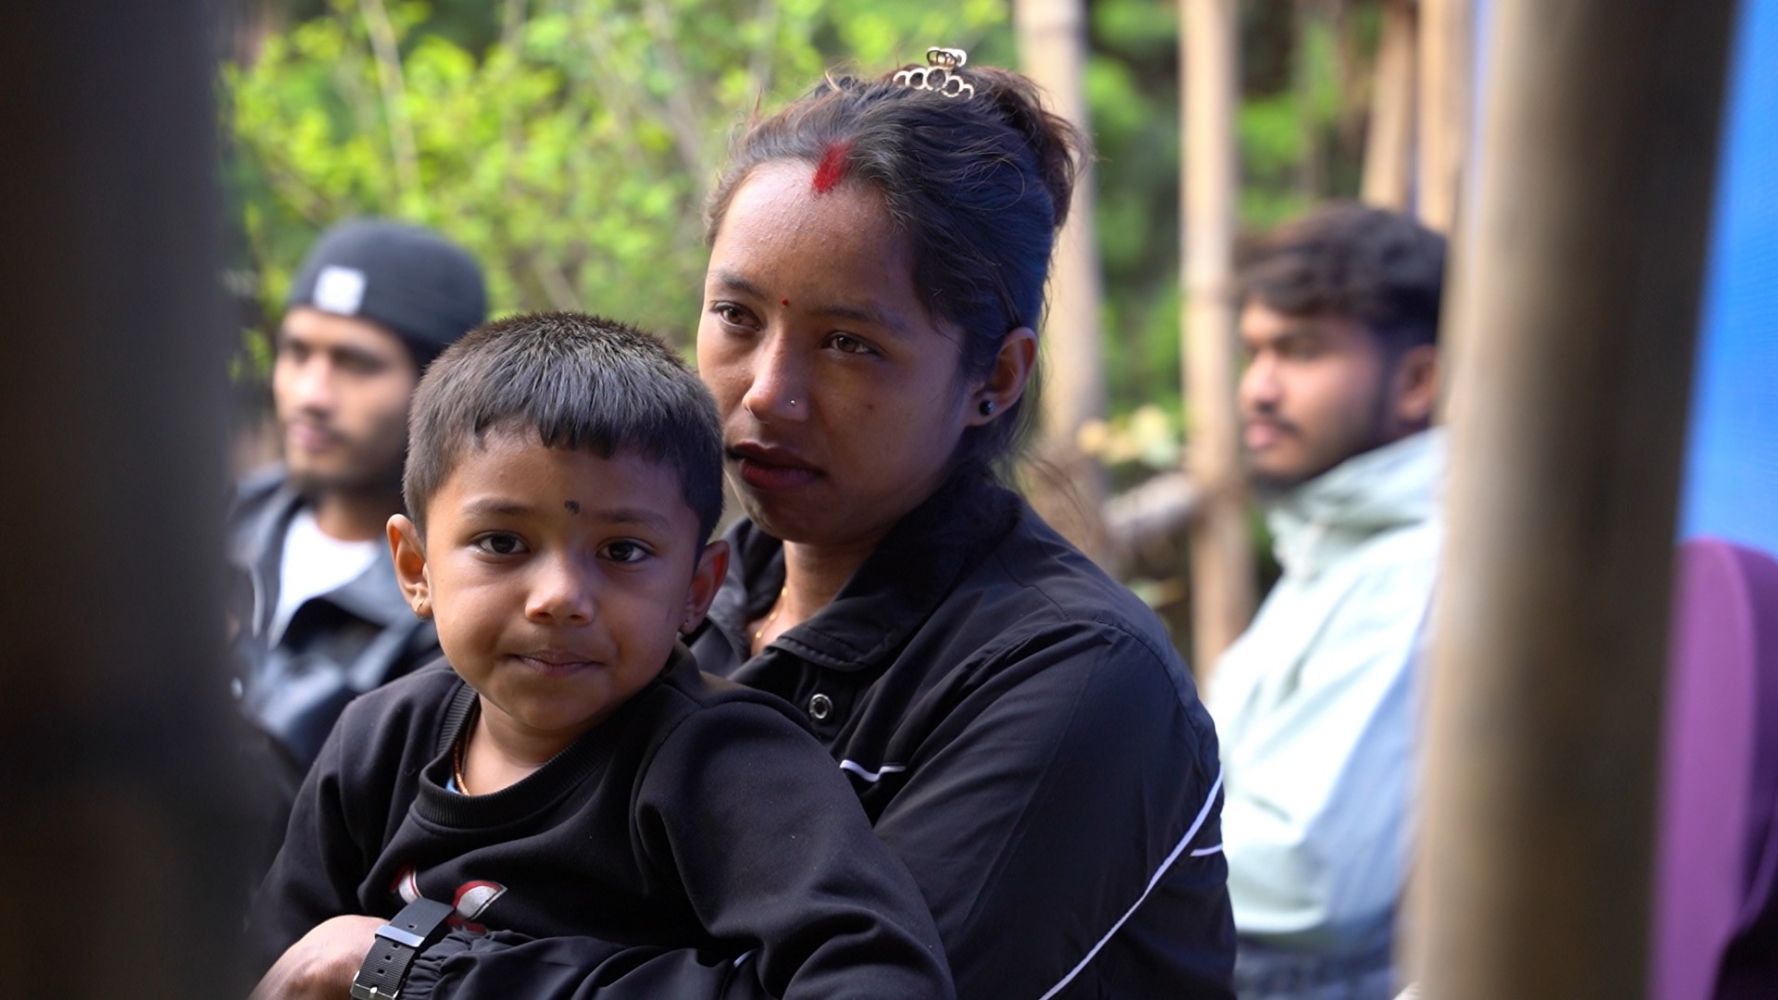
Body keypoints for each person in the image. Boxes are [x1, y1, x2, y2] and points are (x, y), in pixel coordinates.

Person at [250, 49, 1235, 1000]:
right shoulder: (655, 614)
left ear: (996, 375)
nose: (768, 392)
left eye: (847, 343)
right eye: (735, 316)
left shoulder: (1076, 677)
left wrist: (411, 969)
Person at [247, 313, 955, 1000]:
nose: (560, 597)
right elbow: (280, 966)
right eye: (502, 542)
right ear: (416, 566)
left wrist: (436, 975)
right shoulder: (377, 746)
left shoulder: (728, 765)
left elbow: (877, 976)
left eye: (623, 552)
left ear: (697, 589)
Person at [1206, 203, 1447, 1000]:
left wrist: (1092, 853)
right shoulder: (1341, 541)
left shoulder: (1416, 571)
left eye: (1299, 351)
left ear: (1418, 380)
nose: (1258, 389)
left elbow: (1311, 875)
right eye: (1254, 353)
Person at [229, 218, 487, 853]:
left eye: (355, 363)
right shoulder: (209, 526)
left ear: (437, 390)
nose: (311, 394)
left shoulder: (466, 606)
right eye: (297, 353)